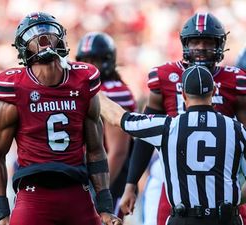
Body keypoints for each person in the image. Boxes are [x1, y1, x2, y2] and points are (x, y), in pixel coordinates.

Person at [0, 12, 122, 225]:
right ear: (23, 47)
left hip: (77, 190)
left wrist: (105, 207)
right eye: (34, 35)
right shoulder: (15, 90)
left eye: (48, 32)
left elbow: (96, 150)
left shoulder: (82, 83)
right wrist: (1, 213)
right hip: (34, 193)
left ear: (61, 38)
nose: (43, 39)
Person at [117, 12, 246, 225]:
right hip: (173, 173)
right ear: (185, 43)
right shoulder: (165, 76)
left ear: (220, 44)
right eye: (196, 41)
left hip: (220, 171)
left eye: (208, 41)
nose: (202, 48)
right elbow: (146, 137)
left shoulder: (235, 80)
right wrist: (131, 183)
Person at [104, 64, 246, 225]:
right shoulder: (237, 129)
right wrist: (234, 200)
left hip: (184, 219)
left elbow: (118, 117)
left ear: (183, 95)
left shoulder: (167, 127)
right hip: (225, 219)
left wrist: (92, 90)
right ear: (213, 92)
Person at [75, 32, 136, 219]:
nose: (89, 66)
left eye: (94, 60)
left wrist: (100, 192)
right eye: (85, 61)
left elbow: (118, 152)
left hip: (111, 174)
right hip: (92, 171)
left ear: (108, 60)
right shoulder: (91, 88)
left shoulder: (114, 91)